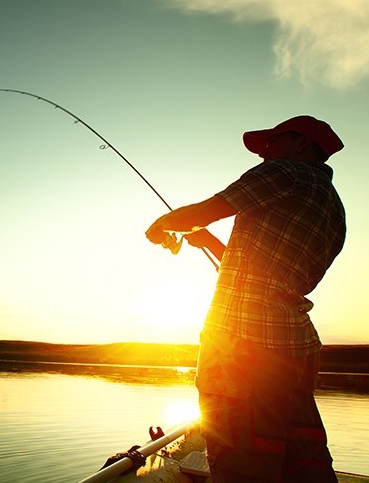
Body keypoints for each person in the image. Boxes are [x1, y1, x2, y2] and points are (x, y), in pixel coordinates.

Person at [145, 115, 345, 482]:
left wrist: (162, 224)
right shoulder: (334, 206)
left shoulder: (285, 172)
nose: (266, 153)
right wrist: (207, 241)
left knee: (240, 455)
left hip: (243, 344)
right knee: (302, 455)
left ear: (300, 143)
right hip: (297, 349)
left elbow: (208, 210)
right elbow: (268, 274)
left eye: (273, 143)